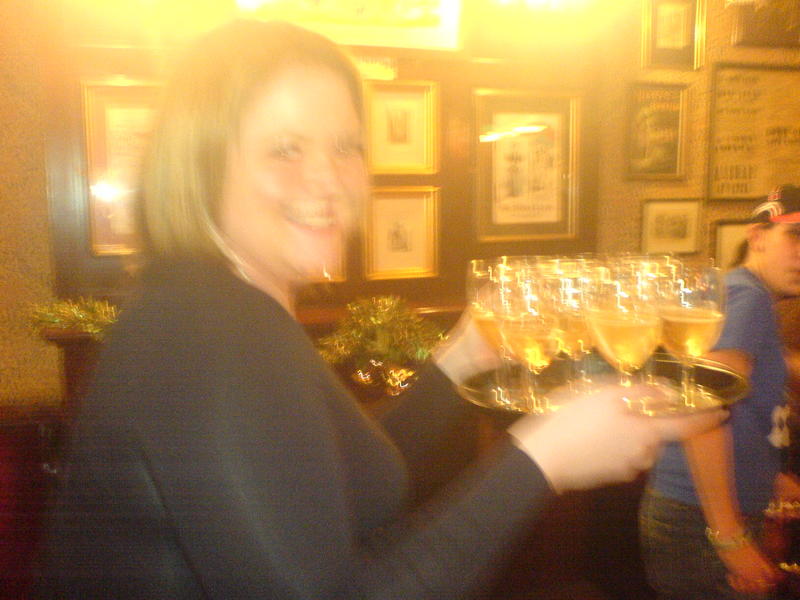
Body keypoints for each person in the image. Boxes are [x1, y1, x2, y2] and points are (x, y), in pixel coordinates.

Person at [37, 20, 725, 599]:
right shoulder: (209, 329)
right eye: (285, 149)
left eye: (346, 147)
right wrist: (546, 458)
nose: (328, 180)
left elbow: (354, 477)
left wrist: (462, 358)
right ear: (200, 163)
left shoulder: (217, 307)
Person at [640, 184, 800, 600]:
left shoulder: (743, 294)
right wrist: (730, 538)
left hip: (694, 513)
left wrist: (771, 477)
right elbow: (702, 412)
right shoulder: (748, 297)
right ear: (757, 236)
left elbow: (741, 405)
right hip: (699, 521)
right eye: (795, 236)